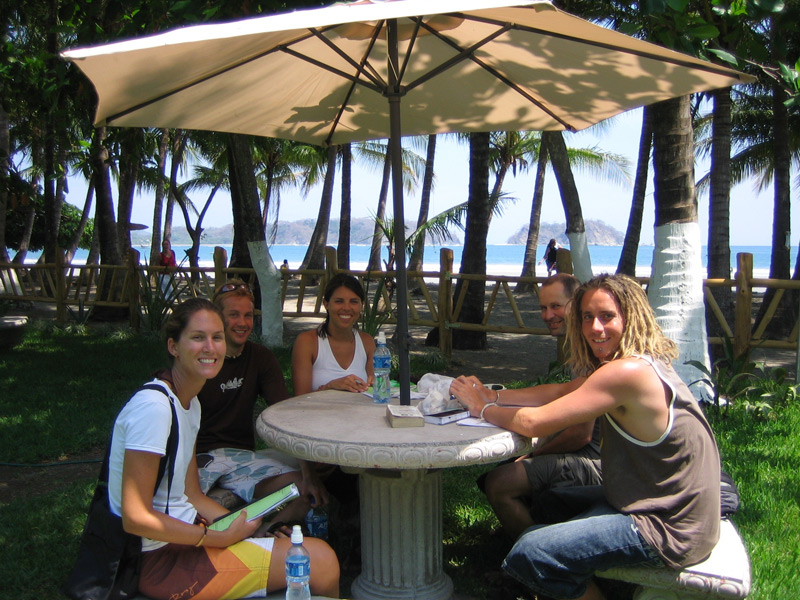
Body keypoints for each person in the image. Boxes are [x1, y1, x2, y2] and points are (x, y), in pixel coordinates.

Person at [451, 274, 721, 600]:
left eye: (607, 316)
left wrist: (481, 408)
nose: (595, 328)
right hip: (671, 511)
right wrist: (492, 396)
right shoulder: (641, 362)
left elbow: (533, 423)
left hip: (668, 528)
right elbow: (560, 391)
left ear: (631, 317)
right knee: (550, 506)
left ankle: (558, 578)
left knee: (532, 552)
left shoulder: (626, 373)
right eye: (587, 317)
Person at [107, 298, 340, 599]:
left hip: (189, 536)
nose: (210, 347)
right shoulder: (154, 408)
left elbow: (192, 495)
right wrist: (212, 538)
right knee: (321, 561)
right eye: (197, 337)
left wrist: (249, 529)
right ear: (173, 347)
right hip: (160, 561)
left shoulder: (188, 404)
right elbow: (135, 516)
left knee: (310, 554)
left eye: (216, 337)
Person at [480, 273, 602, 540]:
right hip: (592, 454)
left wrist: (534, 454)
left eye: (556, 306)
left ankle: (538, 557)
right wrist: (492, 396)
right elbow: (556, 391)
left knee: (499, 482)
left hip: (600, 463)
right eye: (543, 308)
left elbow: (580, 435)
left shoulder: (595, 350)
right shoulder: (581, 348)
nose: (547, 315)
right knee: (505, 466)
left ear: (576, 304)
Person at [196, 279, 321, 526]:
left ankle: (265, 535)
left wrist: (309, 475)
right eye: (233, 315)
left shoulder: (260, 358)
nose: (242, 323)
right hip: (198, 457)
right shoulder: (201, 358)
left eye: (248, 315)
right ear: (216, 318)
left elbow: (286, 418)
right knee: (186, 512)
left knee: (305, 488)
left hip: (240, 458)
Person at [292, 273, 376, 395]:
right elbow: (300, 399)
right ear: (326, 304)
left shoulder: (367, 342)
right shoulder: (307, 342)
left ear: (361, 306)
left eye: (353, 302)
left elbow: (375, 390)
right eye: (339, 301)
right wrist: (329, 387)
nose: (346, 308)